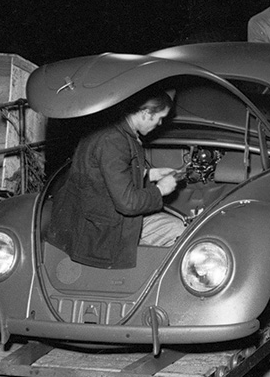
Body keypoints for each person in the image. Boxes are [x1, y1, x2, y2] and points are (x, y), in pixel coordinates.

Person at [45, 88, 184, 269]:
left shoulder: (113, 130)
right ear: (145, 113)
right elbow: (128, 204)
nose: (160, 124)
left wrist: (152, 175)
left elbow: (106, 179)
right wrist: (161, 189)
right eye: (160, 118)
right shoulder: (114, 141)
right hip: (99, 234)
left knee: (172, 224)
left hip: (94, 218)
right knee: (178, 229)